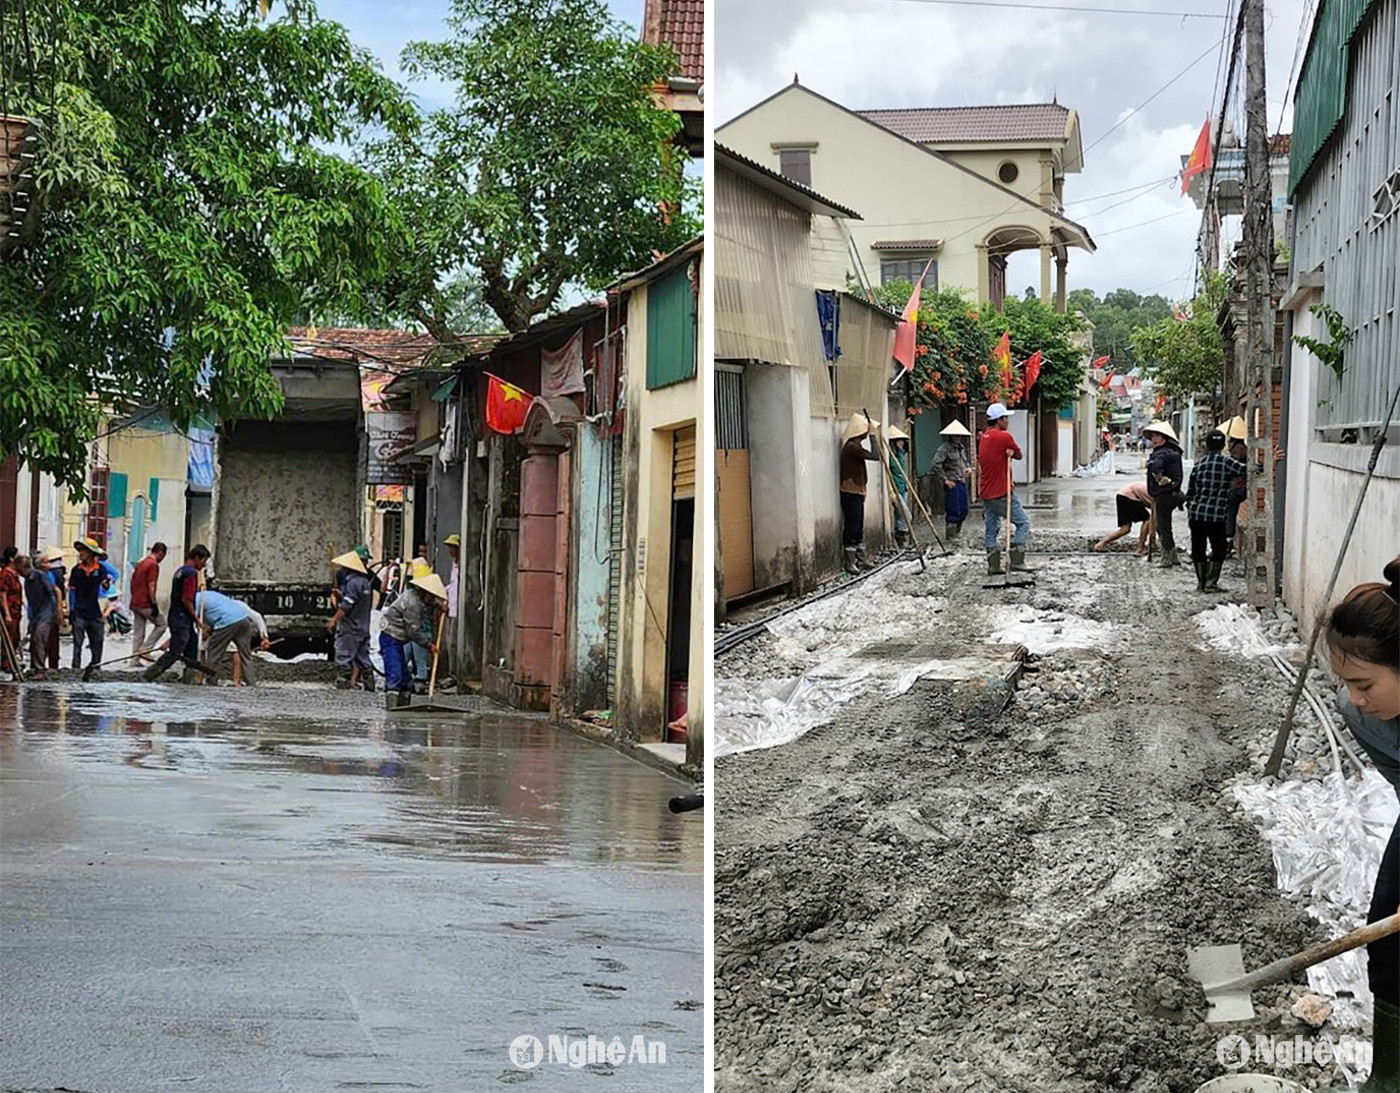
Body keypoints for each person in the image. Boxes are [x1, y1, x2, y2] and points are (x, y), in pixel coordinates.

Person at [1326, 557, 1400, 1092]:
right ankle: (1389, 1075)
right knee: (1390, 935)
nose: (1354, 697)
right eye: (1346, 681)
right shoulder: (1358, 714)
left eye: (1364, 683)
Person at [1184, 429, 1248, 592]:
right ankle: (1211, 583)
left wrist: (1190, 509)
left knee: (1198, 548)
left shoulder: (1199, 464)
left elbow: (1190, 492)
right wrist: (1271, 462)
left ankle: (1201, 583)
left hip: (1197, 514)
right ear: (1222, 445)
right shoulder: (1226, 462)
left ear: (1207, 445)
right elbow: (1248, 470)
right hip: (1216, 515)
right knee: (1219, 548)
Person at [142, 544, 209, 683]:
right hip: (182, 617)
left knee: (191, 645)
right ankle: (149, 675)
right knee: (176, 650)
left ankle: (189, 679)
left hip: (178, 616)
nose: (204, 565)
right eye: (203, 561)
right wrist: (196, 617)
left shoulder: (180, 571)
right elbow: (186, 598)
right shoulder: (190, 574)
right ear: (197, 558)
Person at [978, 403, 1031, 575]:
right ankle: (1017, 560)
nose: (1008, 421)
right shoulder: (1003, 437)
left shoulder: (984, 437)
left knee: (991, 528)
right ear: (998, 420)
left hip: (986, 492)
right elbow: (1019, 454)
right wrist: (1010, 454)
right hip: (1001, 491)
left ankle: (993, 565)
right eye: (1005, 418)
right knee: (1023, 523)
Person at [379, 573, 448, 702]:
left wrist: (439, 605)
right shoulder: (413, 604)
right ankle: (392, 704)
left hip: (399, 637)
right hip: (391, 635)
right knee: (395, 672)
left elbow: (431, 601)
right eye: (431, 595)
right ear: (424, 592)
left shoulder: (419, 596)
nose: (433, 598)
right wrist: (429, 645)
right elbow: (413, 633)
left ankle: (404, 698)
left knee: (404, 677)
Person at [327, 550, 375, 691]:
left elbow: (347, 606)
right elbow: (357, 600)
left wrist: (333, 620)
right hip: (363, 627)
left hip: (350, 628)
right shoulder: (365, 583)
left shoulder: (353, 583)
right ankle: (369, 685)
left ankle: (343, 684)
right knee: (363, 659)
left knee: (344, 657)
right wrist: (340, 594)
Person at [194, 587, 262, 687]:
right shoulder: (211, 595)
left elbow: (195, 617)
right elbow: (217, 612)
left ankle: (211, 682)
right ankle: (251, 684)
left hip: (227, 622)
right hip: (244, 619)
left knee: (214, 653)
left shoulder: (195, 599)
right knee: (246, 656)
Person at [839, 413, 880, 573]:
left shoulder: (855, 447)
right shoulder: (852, 448)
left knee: (859, 526)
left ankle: (861, 559)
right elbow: (875, 456)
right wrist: (873, 438)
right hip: (850, 491)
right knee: (852, 526)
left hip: (856, 490)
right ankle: (850, 562)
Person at [1143, 421, 1184, 568]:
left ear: (1164, 438)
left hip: (1164, 495)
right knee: (1166, 525)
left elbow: (1156, 466)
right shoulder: (1174, 452)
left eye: (1157, 436)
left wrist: (1159, 477)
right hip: (1174, 493)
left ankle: (1167, 557)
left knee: (1162, 526)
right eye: (1152, 436)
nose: (1154, 439)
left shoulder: (1161, 453)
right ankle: (1173, 557)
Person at [69, 537, 108, 671]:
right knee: (77, 643)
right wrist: (71, 610)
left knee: (97, 642)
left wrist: (105, 585)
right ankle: (76, 668)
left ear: (91, 553)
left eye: (84, 551)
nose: (81, 554)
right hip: (79, 611)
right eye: (80, 551)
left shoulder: (101, 570)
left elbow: (106, 589)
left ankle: (95, 667)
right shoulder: (76, 570)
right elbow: (72, 591)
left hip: (95, 612)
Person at [933, 420, 972, 539]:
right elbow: (936, 464)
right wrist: (945, 480)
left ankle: (957, 534)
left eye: (959, 435)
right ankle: (950, 538)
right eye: (955, 435)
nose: (958, 437)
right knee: (953, 511)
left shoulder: (961, 448)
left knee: (964, 510)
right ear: (951, 435)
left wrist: (968, 468)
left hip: (962, 482)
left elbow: (964, 462)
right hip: (952, 483)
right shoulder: (944, 448)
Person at [1092, 481, 1156, 554]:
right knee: (1147, 520)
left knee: (1125, 529)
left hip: (1121, 495)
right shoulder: (1158, 497)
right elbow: (1153, 522)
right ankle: (1140, 548)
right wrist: (1153, 542)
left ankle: (1100, 545)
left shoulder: (1156, 491)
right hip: (1129, 495)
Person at [22, 552, 58, 680]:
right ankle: (35, 668)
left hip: (46, 613)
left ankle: (40, 670)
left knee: (39, 639)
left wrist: (58, 612)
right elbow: (32, 600)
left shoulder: (41, 576)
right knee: (34, 641)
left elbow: (55, 591)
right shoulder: (28, 580)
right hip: (36, 614)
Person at [130, 542, 167, 659]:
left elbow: (132, 582)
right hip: (146, 603)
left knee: (138, 632)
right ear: (160, 552)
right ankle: (146, 649)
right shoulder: (153, 565)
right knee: (162, 624)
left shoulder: (141, 563)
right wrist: (154, 604)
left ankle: (134, 660)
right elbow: (152, 586)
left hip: (135, 602)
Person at [885, 426, 913, 549]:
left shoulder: (901, 454)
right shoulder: (890, 457)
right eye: (900, 440)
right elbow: (892, 470)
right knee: (904, 514)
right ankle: (900, 538)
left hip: (904, 487)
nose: (902, 443)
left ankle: (901, 540)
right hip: (895, 488)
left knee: (901, 515)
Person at [442, 533, 461, 683]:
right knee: (449, 643)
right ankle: (451, 673)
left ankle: (454, 674)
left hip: (457, 610)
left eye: (451, 548)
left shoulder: (461, 567)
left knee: (453, 643)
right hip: (450, 608)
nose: (449, 551)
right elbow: (452, 586)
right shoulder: (454, 565)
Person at [0, 547, 22, 676]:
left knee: (15, 637)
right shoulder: (5, 574)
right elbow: (2, 594)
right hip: (9, 610)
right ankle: (6, 663)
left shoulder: (14, 574)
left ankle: (10, 661)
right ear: (12, 558)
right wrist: (7, 614)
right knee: (9, 637)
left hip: (16, 610)